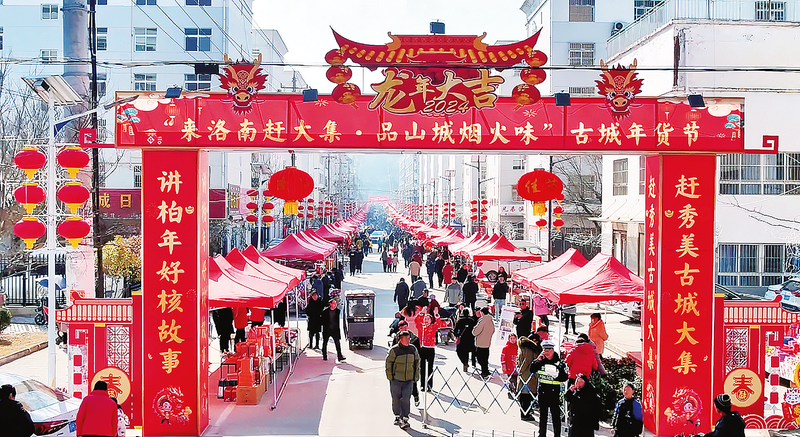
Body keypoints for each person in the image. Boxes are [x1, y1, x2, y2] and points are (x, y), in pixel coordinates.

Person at [530, 339, 568, 437]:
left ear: (552, 350)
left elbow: (564, 377)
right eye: (544, 350)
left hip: (554, 392)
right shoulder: (540, 361)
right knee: (543, 415)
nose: (545, 353)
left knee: (555, 415)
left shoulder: (558, 363)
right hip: (542, 390)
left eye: (547, 351)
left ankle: (557, 435)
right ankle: (542, 434)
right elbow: (532, 369)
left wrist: (556, 375)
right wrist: (539, 360)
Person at [386, 330, 420, 430]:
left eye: (409, 338)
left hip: (409, 380)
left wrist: (415, 376)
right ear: (401, 339)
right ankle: (397, 416)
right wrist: (390, 377)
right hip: (396, 379)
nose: (408, 340)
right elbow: (388, 364)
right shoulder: (394, 350)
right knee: (396, 399)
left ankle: (405, 418)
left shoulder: (412, 349)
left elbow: (417, 362)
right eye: (406, 339)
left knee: (406, 399)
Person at [415, 309, 448, 391]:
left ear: (431, 320)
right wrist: (421, 312)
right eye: (425, 319)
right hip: (422, 348)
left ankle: (429, 385)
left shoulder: (433, 327)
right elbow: (416, 320)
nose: (426, 320)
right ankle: (423, 385)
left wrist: (436, 315)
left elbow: (440, 324)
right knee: (422, 367)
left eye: (428, 319)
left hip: (430, 349)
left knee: (430, 368)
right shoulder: (421, 327)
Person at [392, 320, 422, 406]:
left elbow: (418, 354)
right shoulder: (397, 338)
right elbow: (392, 351)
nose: (403, 329)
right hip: (399, 366)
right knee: (400, 387)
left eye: (405, 327)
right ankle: (403, 405)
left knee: (412, 383)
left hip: (410, 365)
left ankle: (416, 396)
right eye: (401, 328)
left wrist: (417, 366)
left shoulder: (414, 339)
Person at [517, 334, 542, 421]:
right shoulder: (534, 349)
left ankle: (525, 414)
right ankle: (527, 412)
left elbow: (524, 362)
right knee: (529, 395)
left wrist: (520, 370)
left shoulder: (524, 350)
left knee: (524, 396)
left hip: (525, 375)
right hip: (532, 375)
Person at [472, 307, 495, 378]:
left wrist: (475, 332)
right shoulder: (490, 320)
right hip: (487, 342)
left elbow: (475, 332)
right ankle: (486, 370)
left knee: (480, 358)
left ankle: (484, 371)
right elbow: (493, 330)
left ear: (482, 313)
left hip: (480, 342)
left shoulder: (482, 321)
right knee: (485, 357)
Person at [501, 333, 519, 397]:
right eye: (511, 338)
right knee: (511, 380)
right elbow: (503, 358)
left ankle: (516, 391)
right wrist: (504, 367)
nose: (513, 340)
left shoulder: (518, 348)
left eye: (514, 338)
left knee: (517, 381)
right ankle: (511, 391)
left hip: (517, 368)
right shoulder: (505, 348)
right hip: (509, 367)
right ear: (509, 339)